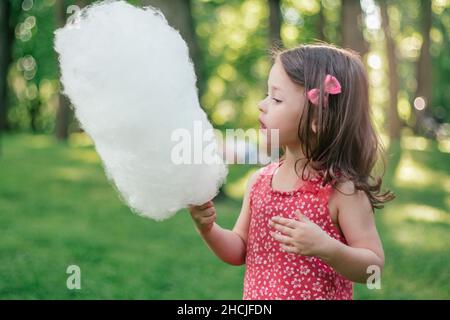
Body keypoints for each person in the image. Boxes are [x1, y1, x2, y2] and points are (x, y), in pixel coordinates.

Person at [189, 43, 395, 300]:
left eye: (276, 98)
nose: (261, 105)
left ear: (318, 119)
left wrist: (328, 248)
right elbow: (239, 250)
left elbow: (373, 269)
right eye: (267, 94)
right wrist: (207, 229)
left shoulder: (342, 191)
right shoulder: (259, 182)